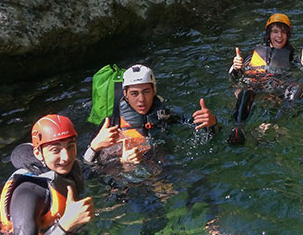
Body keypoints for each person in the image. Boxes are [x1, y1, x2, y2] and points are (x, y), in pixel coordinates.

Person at [0, 115, 95, 235]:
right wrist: (66, 224)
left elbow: (92, 177)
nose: (66, 157)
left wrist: (95, 149)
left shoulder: (66, 171)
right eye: (55, 150)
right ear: (38, 153)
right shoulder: (28, 192)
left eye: (70, 146)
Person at [84, 64, 217, 165]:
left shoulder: (163, 114)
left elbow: (203, 130)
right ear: (125, 94)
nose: (141, 99)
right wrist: (100, 149)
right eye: (134, 93)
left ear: (154, 91)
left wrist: (212, 124)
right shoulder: (111, 125)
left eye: (146, 91)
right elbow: (87, 169)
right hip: (127, 178)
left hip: (162, 167)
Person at [228, 13, 303, 143]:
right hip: (256, 86)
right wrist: (235, 67)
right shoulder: (252, 56)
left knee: (297, 89)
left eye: (283, 32)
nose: (279, 36)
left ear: (288, 35)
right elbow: (234, 76)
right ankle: (239, 128)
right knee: (245, 91)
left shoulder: (293, 59)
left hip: (277, 89)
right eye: (275, 31)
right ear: (269, 34)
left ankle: (275, 124)